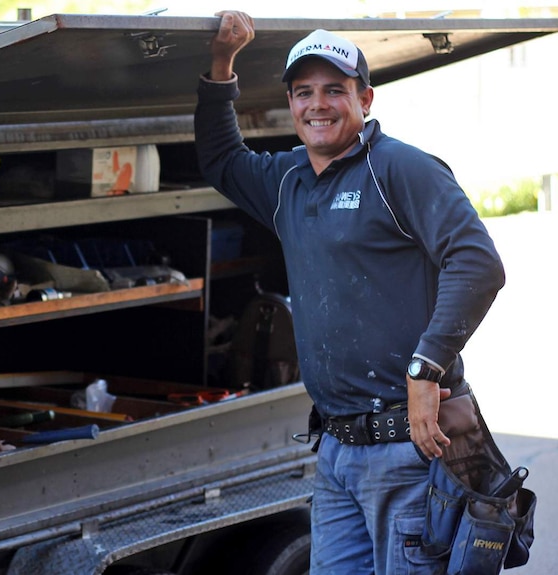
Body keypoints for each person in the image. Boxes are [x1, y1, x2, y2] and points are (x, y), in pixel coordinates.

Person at [194, 12, 505, 574]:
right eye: (304, 91)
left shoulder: (401, 169)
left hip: (413, 445)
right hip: (337, 450)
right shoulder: (288, 179)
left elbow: (478, 262)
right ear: (290, 103)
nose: (318, 104)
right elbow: (220, 159)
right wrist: (222, 66)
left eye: (335, 90)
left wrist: (425, 369)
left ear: (365, 97)